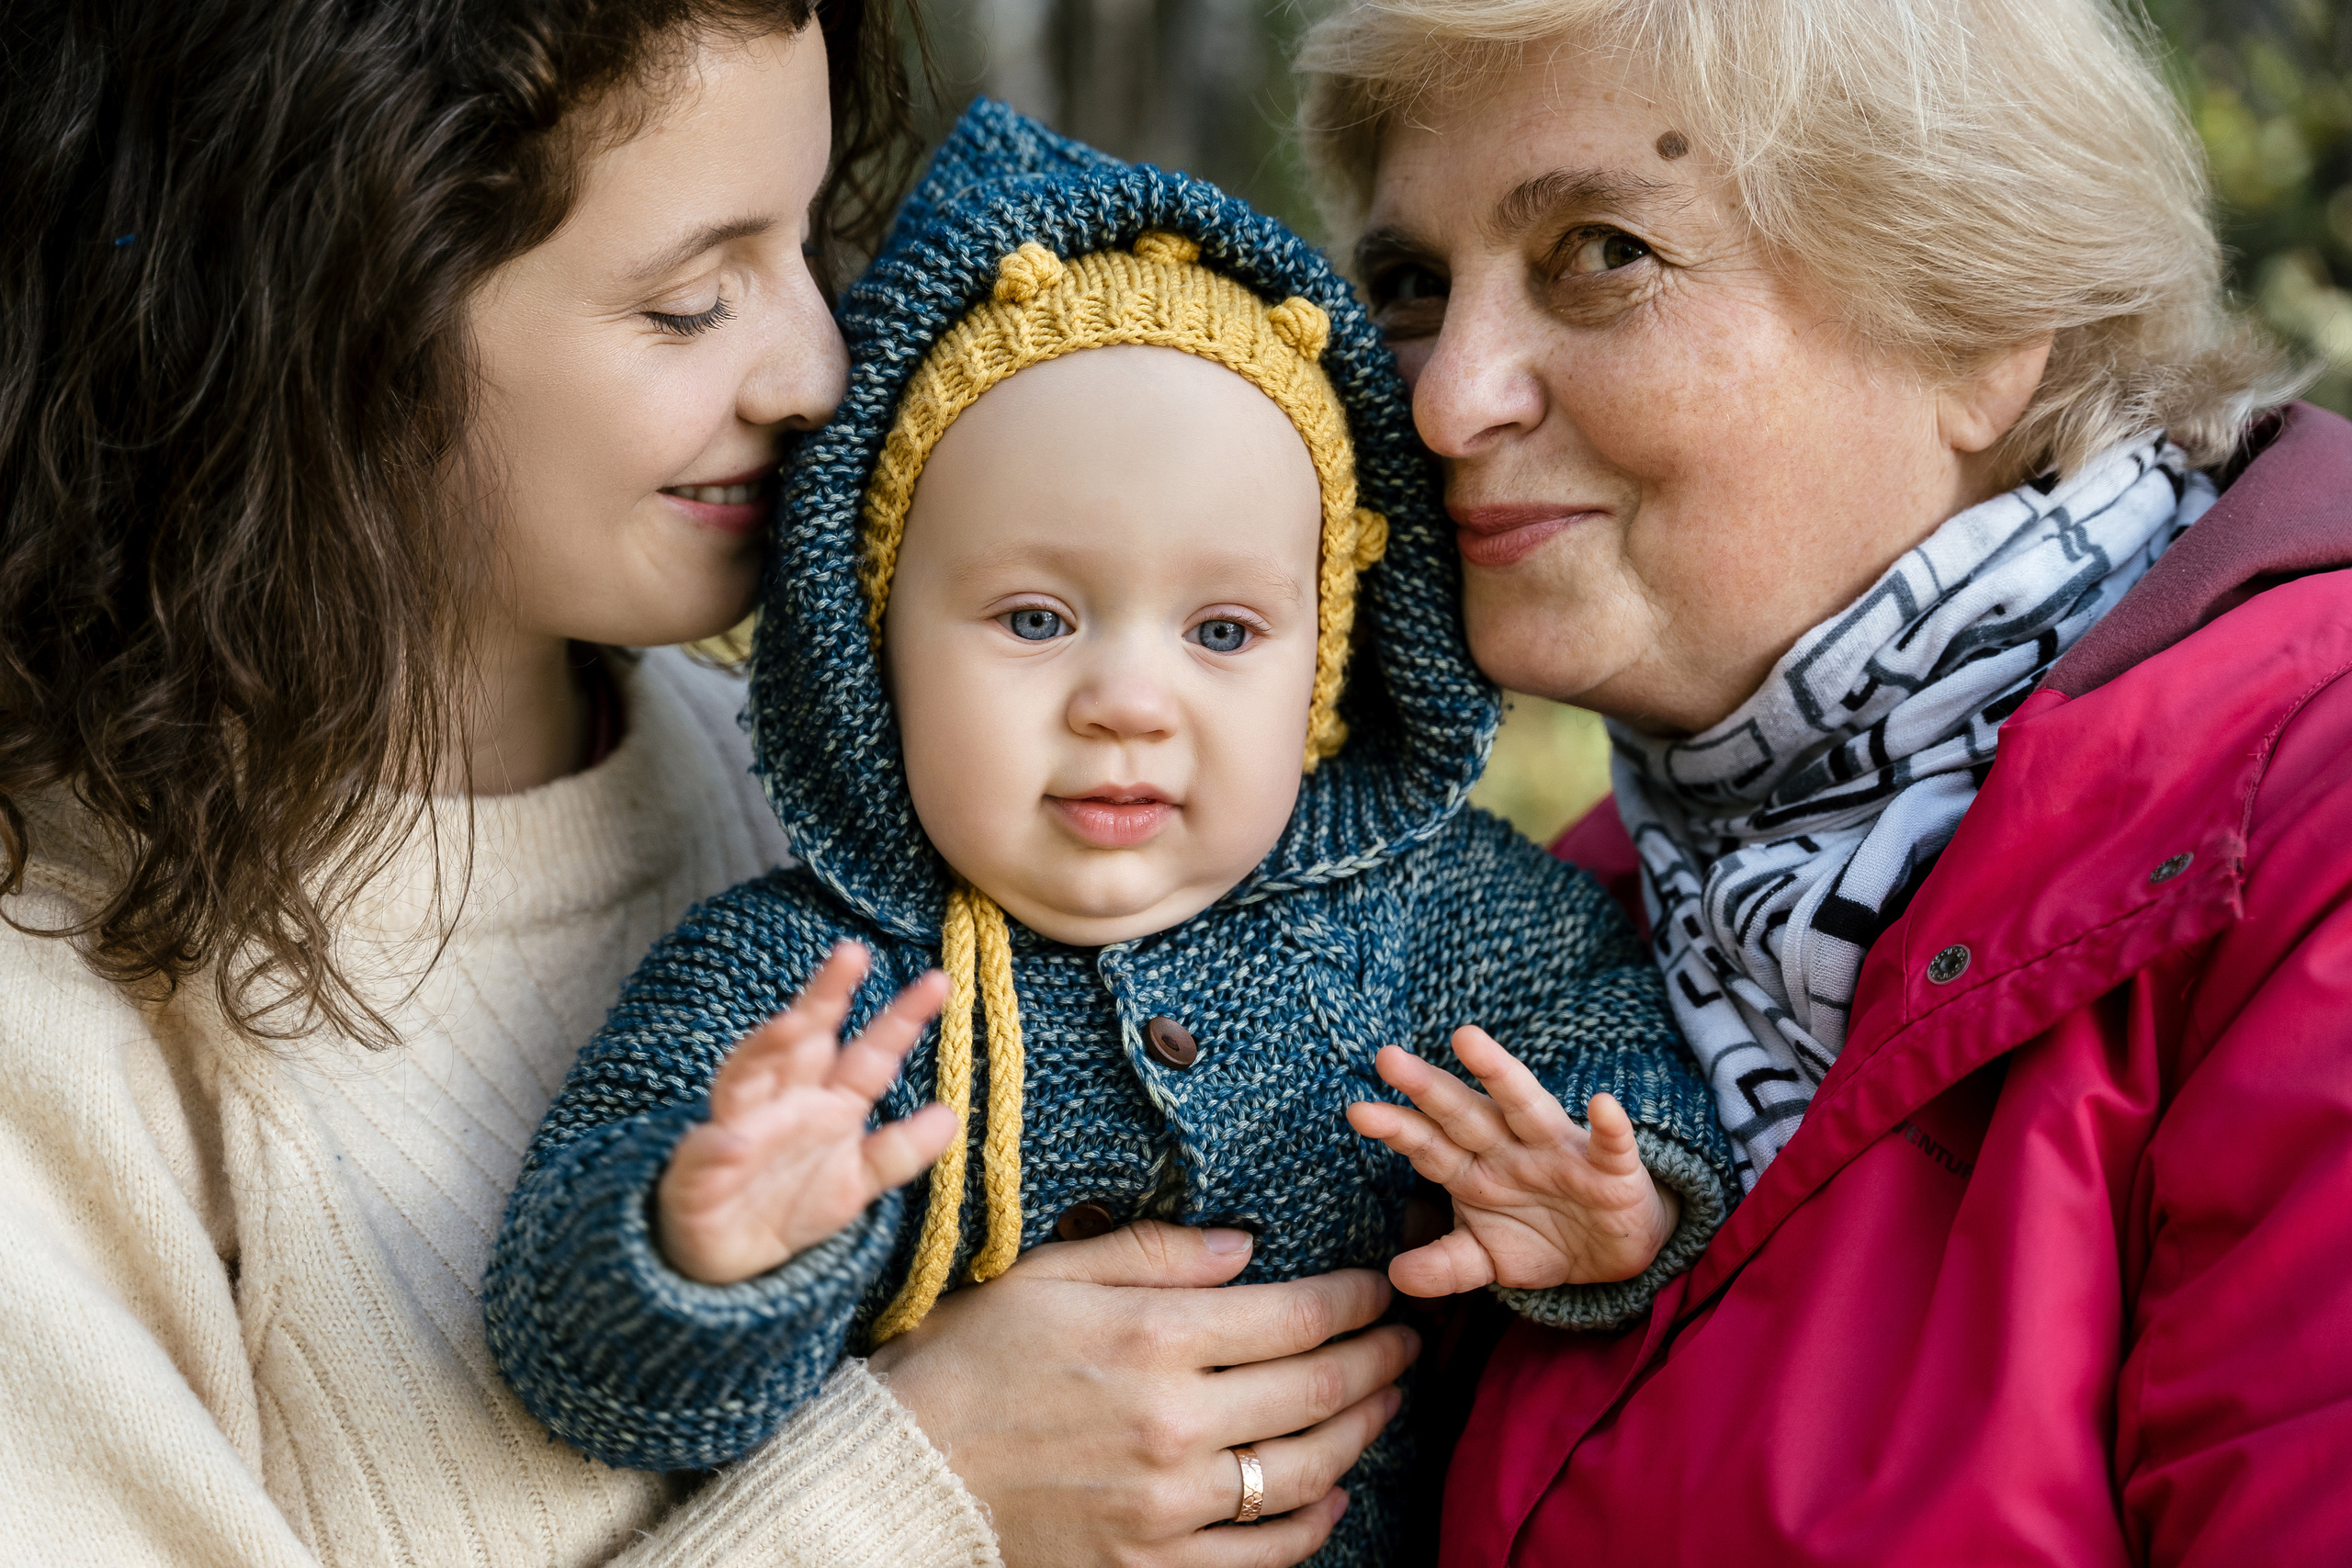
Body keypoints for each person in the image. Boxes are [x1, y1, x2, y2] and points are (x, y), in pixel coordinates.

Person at [0, 7, 1420, 1566]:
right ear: (325, 311)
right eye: (691, 301)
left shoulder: (874, 803)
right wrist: (934, 1484)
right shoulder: (56, 1018)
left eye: (809, 242)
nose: (818, 370)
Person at [482, 103, 1735, 1568]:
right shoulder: (799, 988)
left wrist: (1620, 1192)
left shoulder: (1430, 913)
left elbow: (1604, 1027)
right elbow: (574, 1367)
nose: (1129, 703)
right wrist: (706, 1250)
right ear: (874, 648)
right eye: (1034, 618)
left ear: (1321, 672)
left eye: (1222, 629)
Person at [1295, 0, 2352, 1560]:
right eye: (1408, 285)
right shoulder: (1567, 922)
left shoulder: (2304, 835)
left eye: (1601, 252)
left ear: (1979, 315)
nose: (1451, 400)